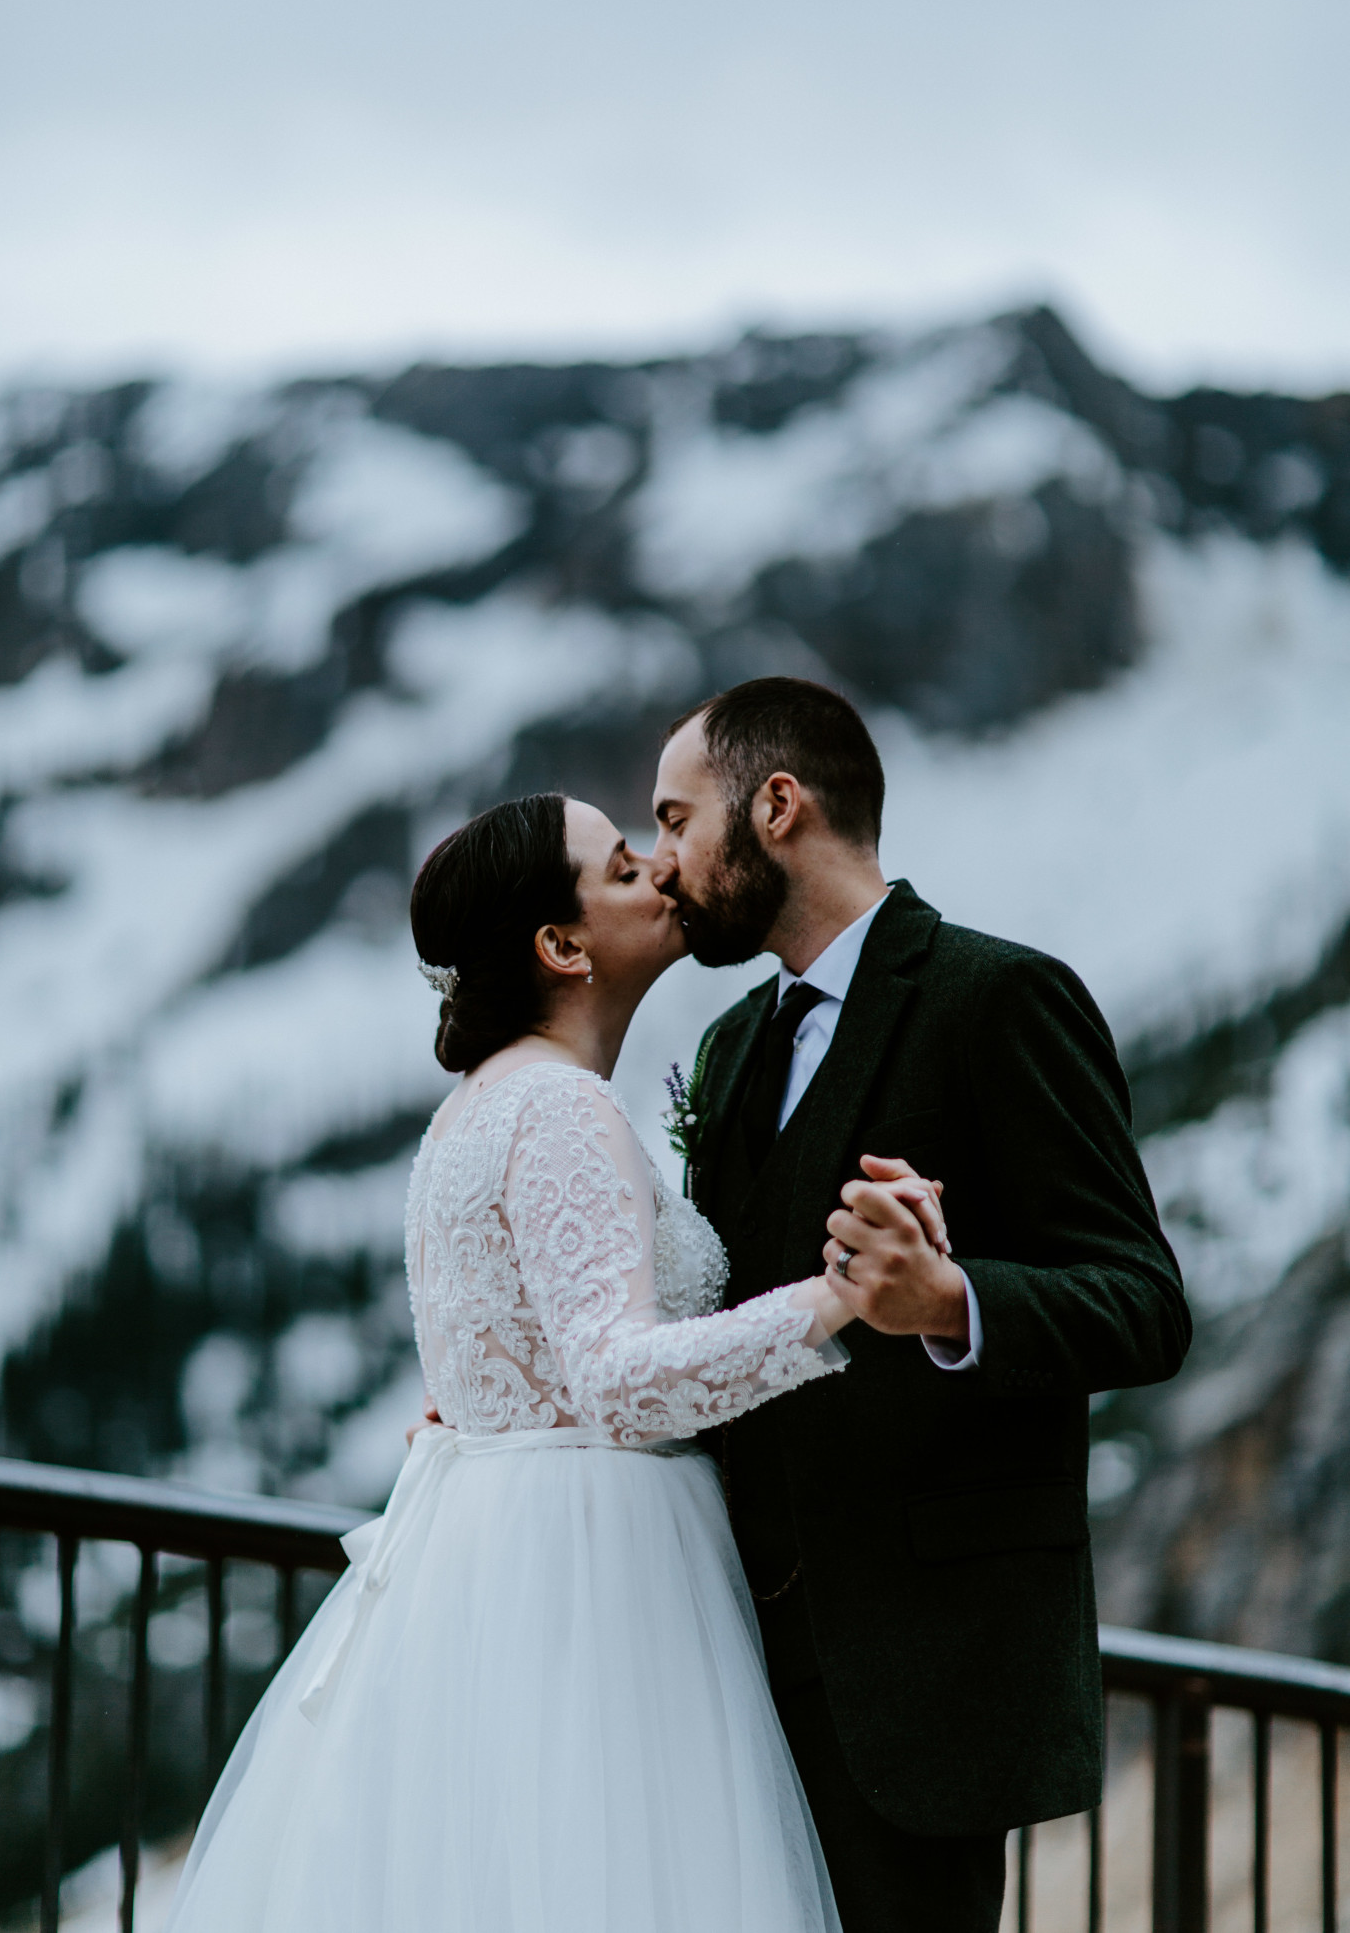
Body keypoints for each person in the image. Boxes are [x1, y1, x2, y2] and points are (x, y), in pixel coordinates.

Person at [167, 791, 907, 1933]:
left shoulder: (478, 1106)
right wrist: (836, 1302)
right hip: (596, 1567)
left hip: (495, 1551)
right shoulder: (560, 1107)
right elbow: (615, 1380)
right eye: (620, 868)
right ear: (561, 946)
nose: (659, 873)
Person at [650, 676, 1192, 1933]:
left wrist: (952, 1301)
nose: (662, 861)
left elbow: (1142, 1303)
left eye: (677, 819)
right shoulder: (731, 1047)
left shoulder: (995, 999)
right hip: (733, 1666)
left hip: (921, 1681)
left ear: (774, 806)